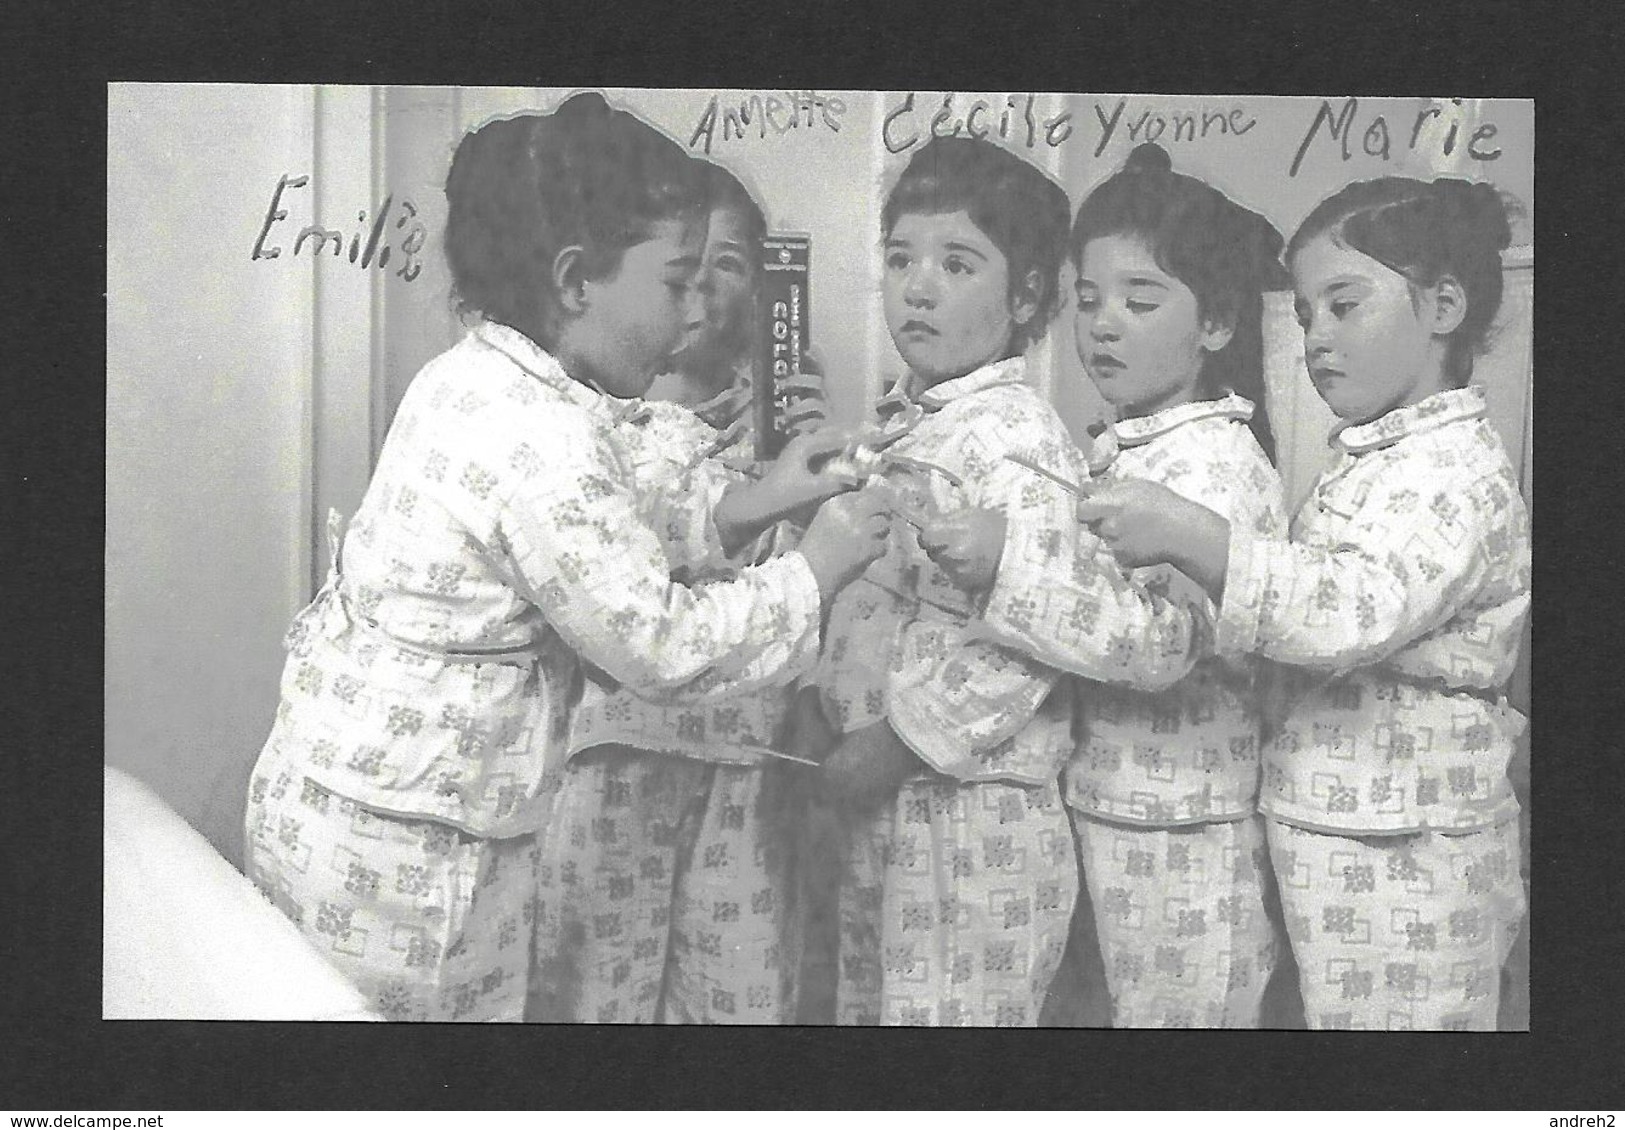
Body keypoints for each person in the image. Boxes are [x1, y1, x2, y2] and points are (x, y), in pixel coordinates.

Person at [243, 93, 889, 1022]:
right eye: (672, 283)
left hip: (375, 809)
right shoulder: (536, 437)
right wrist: (814, 571)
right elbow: (658, 644)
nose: (688, 316)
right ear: (576, 280)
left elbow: (620, 513)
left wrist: (767, 494)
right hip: (406, 861)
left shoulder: (489, 379)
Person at [1073, 175, 1530, 1030]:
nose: (1317, 336)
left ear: (1442, 306)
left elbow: (1353, 609)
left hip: (1413, 852)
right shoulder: (1375, 459)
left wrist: (1201, 540)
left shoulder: (1454, 474)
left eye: (1344, 305)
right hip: (1340, 836)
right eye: (1307, 314)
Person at [922, 142, 1290, 1027]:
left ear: (1215, 325)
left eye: (1140, 298)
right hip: (1107, 806)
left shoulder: (1220, 467)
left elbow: (1154, 644)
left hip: (1185, 828)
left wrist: (1011, 558)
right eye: (1088, 300)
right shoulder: (1121, 447)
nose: (1103, 325)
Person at [532, 161, 831, 1024]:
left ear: (761, 285)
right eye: (683, 267)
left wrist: (802, 461)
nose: (701, 288)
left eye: (728, 263)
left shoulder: (774, 418)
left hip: (743, 755)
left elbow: (817, 583)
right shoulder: (592, 413)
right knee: (592, 995)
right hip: (615, 754)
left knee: (737, 997)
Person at [797, 135, 1082, 1026]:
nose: (915, 286)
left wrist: (890, 746)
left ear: (1026, 295)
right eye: (899, 258)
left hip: (970, 816)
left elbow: (1030, 638)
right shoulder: (904, 421)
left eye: (956, 263)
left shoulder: (1017, 436)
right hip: (887, 791)